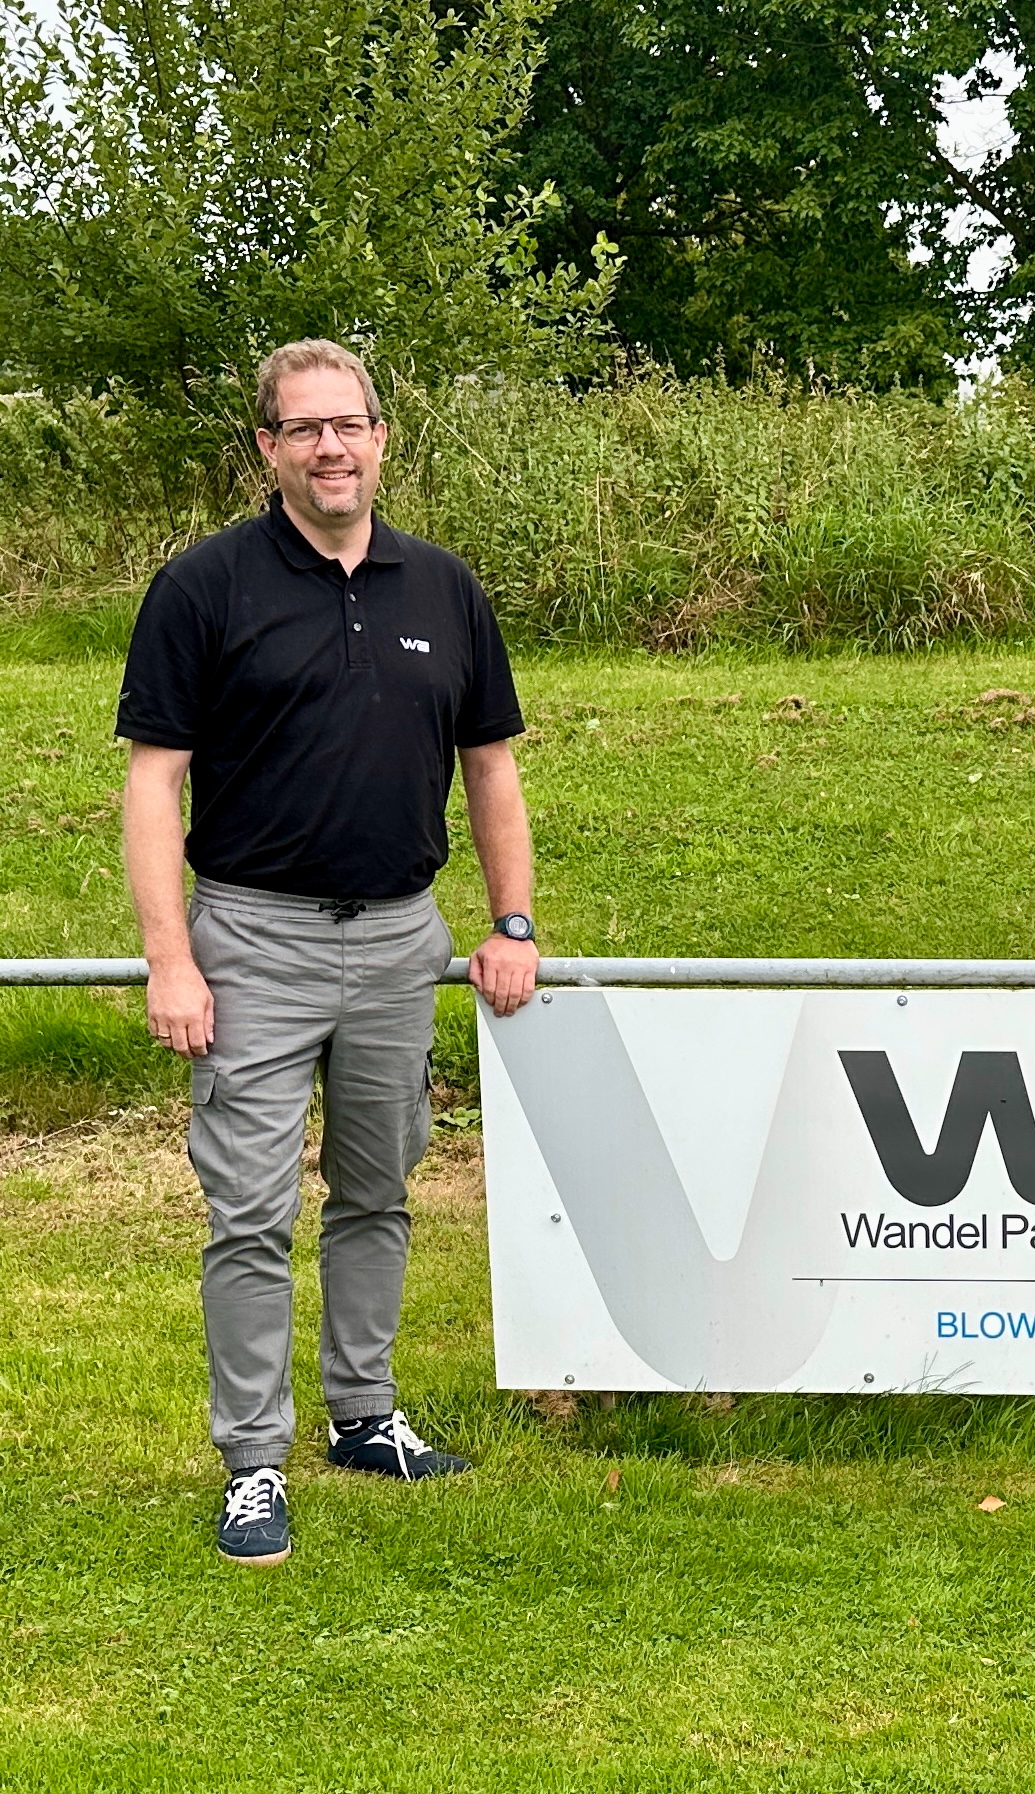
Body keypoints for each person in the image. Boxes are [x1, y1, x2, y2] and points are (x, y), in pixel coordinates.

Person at [118, 339, 543, 1567]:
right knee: (248, 1213)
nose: (331, 448)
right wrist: (170, 959)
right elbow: (154, 787)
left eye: (348, 424)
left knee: (379, 1193)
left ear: (382, 435)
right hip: (250, 939)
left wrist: (508, 923)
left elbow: (491, 767)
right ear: (268, 449)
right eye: (303, 430)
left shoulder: (444, 588)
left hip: (402, 941)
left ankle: (366, 1416)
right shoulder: (204, 589)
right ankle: (254, 1460)